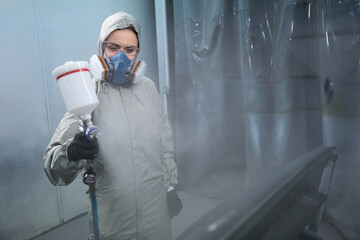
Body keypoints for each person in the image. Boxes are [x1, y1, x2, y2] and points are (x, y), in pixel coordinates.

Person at [44, 12, 182, 240]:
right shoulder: (88, 93)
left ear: (138, 53)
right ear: (101, 49)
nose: (122, 57)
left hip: (155, 209)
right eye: (113, 47)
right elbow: (52, 167)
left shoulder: (147, 88)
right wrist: (72, 151)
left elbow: (164, 140)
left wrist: (169, 186)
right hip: (114, 216)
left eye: (130, 50)